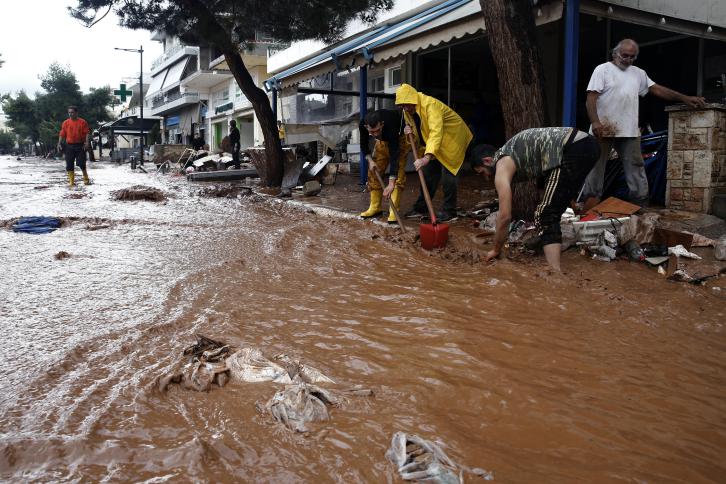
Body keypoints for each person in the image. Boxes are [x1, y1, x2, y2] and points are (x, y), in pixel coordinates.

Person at [580, 38, 706, 208]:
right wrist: (595, 122)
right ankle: (590, 205)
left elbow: (657, 89)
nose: (628, 59)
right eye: (625, 55)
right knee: (596, 168)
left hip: (629, 131)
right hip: (604, 128)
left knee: (636, 167)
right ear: (615, 53)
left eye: (632, 57)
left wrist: (684, 98)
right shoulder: (602, 70)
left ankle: (640, 206)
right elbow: (591, 98)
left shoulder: (638, 73)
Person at [472, 127, 600, 272]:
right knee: (551, 208)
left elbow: (505, 216)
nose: (486, 178)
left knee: (544, 214)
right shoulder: (514, 153)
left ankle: (555, 274)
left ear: (488, 160)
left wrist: (495, 249)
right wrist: (570, 203)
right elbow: (557, 184)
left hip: (574, 148)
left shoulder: (501, 163)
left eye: (482, 173)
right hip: (588, 145)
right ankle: (551, 253)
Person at [395, 84, 473, 222]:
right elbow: (417, 134)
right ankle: (421, 208)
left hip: (453, 139)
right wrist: (409, 134)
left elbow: (436, 132)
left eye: (406, 105)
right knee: (428, 174)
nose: (405, 108)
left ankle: (450, 211)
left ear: (413, 99)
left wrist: (426, 157)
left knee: (449, 175)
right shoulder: (407, 111)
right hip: (434, 143)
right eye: (402, 106)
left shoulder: (430, 105)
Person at [358, 109, 422, 222]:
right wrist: (370, 160)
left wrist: (391, 182)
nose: (375, 134)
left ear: (382, 124)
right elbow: (363, 143)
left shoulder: (391, 124)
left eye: (377, 130)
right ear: (366, 126)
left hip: (399, 141)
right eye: (372, 132)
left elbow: (394, 157)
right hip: (382, 142)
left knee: (398, 175)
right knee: (373, 171)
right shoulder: (362, 124)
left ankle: (394, 210)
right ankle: (375, 207)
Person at [57, 105, 91, 186]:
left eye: (72, 112)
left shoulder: (83, 122)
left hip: (80, 146)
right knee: (69, 164)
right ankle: (71, 182)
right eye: (69, 112)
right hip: (69, 146)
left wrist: (87, 142)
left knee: (81, 163)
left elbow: (87, 133)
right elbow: (62, 134)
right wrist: (59, 143)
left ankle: (85, 177)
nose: (70, 114)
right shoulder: (65, 123)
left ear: (76, 113)